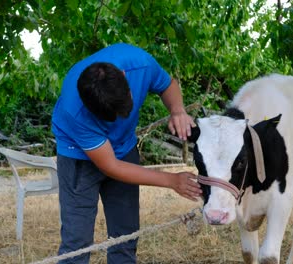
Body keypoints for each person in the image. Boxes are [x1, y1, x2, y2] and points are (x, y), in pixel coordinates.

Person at [51, 43, 202, 264]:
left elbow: (167, 85)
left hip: (124, 148)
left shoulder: (139, 63)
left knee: (125, 236)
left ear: (123, 75)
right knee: (77, 243)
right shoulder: (74, 109)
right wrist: (172, 180)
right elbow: (110, 166)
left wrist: (177, 109)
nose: (121, 118)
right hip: (78, 158)